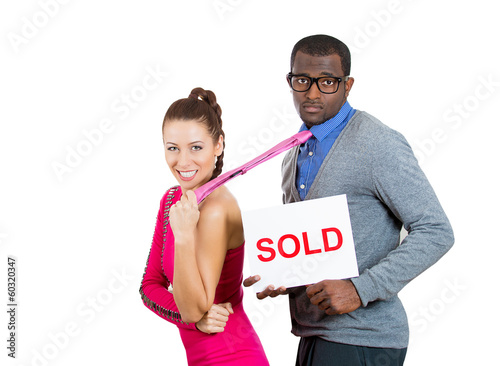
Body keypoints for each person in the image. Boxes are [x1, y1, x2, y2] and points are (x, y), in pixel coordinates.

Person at [244, 35, 455, 365]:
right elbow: (317, 245)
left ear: (347, 85)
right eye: (303, 80)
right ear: (290, 81)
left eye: (327, 82)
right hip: (316, 333)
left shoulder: (377, 143)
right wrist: (283, 274)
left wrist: (361, 288)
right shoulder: (293, 152)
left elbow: (436, 230)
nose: (312, 93)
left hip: (363, 338)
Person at [139, 87, 269, 365]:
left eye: (196, 147)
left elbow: (194, 308)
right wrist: (193, 321)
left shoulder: (216, 209)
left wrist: (184, 235)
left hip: (233, 355)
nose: (183, 162)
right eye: (173, 148)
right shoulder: (172, 200)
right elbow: (149, 287)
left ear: (218, 145)